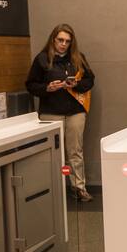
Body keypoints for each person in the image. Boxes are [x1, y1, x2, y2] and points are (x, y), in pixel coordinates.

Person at [26, 23, 95, 202]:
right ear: (53, 39)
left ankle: (79, 188)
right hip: (51, 111)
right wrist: (47, 88)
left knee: (75, 151)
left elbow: (90, 80)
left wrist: (76, 85)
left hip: (75, 111)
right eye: (60, 40)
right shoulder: (42, 59)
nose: (63, 44)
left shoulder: (78, 58)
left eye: (67, 41)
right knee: (51, 153)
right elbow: (31, 85)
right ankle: (50, 190)